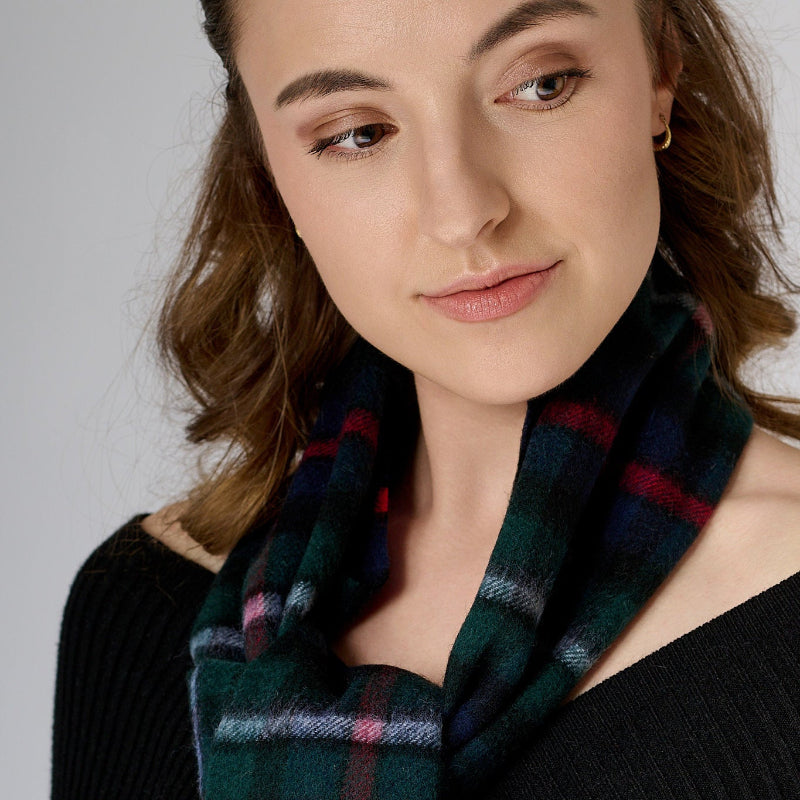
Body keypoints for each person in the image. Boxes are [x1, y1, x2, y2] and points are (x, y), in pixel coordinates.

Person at [52, 0, 800, 798]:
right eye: (357, 134)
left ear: (661, 70)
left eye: (541, 84)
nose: (463, 212)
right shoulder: (148, 604)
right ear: (270, 172)